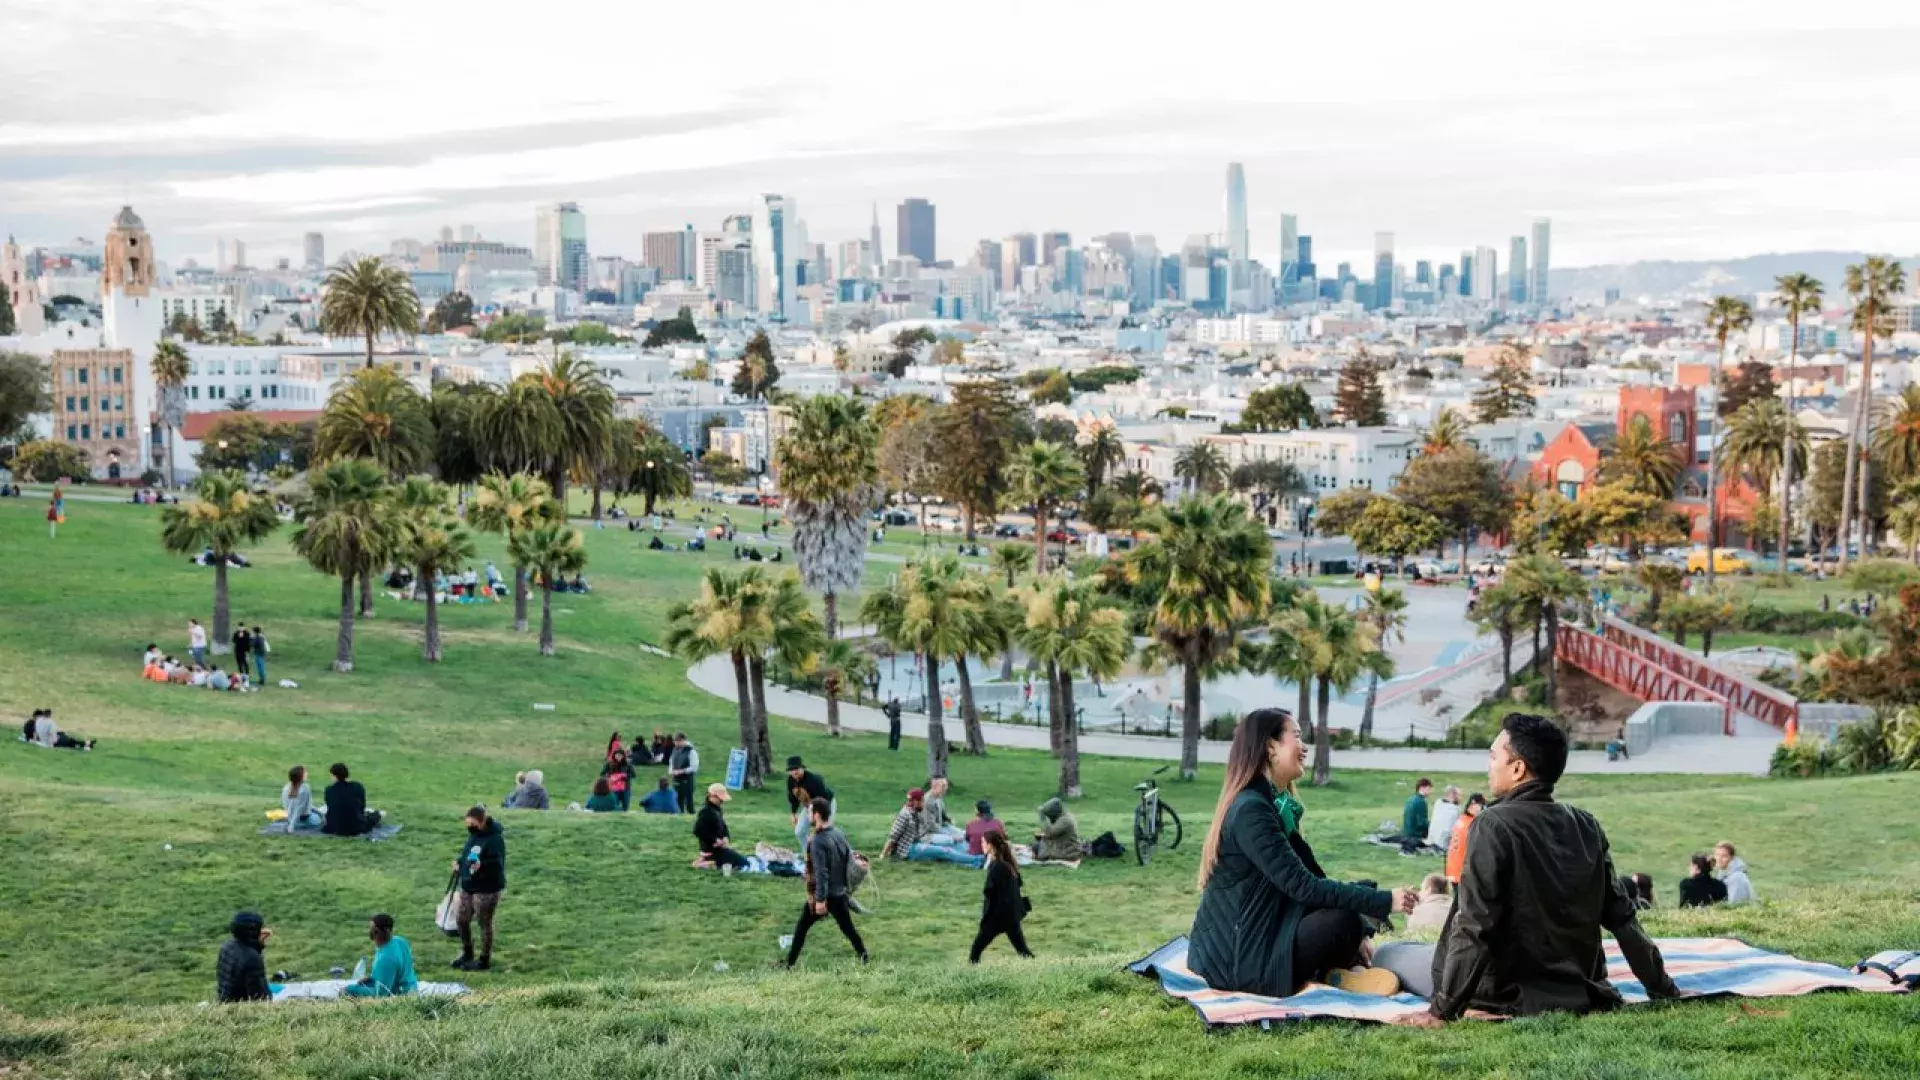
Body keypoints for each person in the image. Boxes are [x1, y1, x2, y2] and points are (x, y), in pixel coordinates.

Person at [1397, 713, 1679, 1027]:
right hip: (1579, 988)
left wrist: (1441, 1012)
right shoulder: (1586, 823)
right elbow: (1623, 919)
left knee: (1394, 954)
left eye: (1493, 757)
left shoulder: (1492, 825)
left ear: (1517, 768)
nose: (1489, 765)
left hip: (1505, 992)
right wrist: (1663, 988)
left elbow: (1476, 925)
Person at [1188, 709, 1414, 999]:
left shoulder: (1274, 805)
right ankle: (1337, 973)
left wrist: (1362, 923)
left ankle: (1338, 971)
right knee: (1341, 919)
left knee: (1351, 906)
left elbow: (1313, 878)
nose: (1304, 746)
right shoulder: (1251, 810)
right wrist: (1386, 901)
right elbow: (1302, 887)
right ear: (1271, 748)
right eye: (1296, 736)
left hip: (1261, 936)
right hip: (1237, 962)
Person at [784, 797, 870, 967]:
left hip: (827, 895)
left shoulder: (817, 841)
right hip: (840, 893)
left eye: (809, 811)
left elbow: (821, 873)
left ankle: (789, 965)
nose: (807, 814)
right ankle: (864, 956)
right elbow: (848, 857)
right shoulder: (838, 833)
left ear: (816, 815)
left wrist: (820, 901)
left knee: (802, 927)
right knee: (847, 928)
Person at [451, 805, 506, 971]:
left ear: (482, 822)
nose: (470, 827)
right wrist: (459, 863)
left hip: (486, 888)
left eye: (472, 823)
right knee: (461, 920)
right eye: (468, 823)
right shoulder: (474, 836)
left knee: (484, 923)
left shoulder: (495, 839)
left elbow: (497, 865)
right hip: (469, 885)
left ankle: (484, 959)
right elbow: (468, 854)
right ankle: (467, 953)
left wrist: (481, 865)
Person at [970, 828, 1034, 963]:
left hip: (998, 916)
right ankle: (1040, 968)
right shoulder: (1007, 864)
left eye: (983, 842)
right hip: (1011, 915)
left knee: (975, 951)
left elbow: (991, 893)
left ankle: (970, 975)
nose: (981, 845)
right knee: (1023, 950)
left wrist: (987, 918)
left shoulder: (997, 867)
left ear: (991, 845)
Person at [881, 788, 984, 867]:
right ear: (915, 802)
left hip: (917, 844)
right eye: (922, 801)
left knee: (944, 853)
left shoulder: (914, 812)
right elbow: (893, 837)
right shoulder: (905, 815)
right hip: (908, 850)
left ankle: (973, 861)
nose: (923, 803)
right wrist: (883, 856)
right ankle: (978, 859)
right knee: (944, 851)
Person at [343, 914, 418, 998]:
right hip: (412, 990)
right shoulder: (400, 941)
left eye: (371, 927)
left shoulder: (385, 958)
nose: (369, 930)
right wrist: (372, 979)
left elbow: (381, 994)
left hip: (401, 997)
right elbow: (398, 973)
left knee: (347, 991)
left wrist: (351, 990)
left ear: (376, 931)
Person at [215, 911, 273, 1003]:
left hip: (225, 1002)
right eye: (260, 929)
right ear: (252, 930)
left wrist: (257, 946)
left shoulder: (226, 947)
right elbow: (260, 998)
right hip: (240, 1008)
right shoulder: (252, 958)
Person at [694, 783, 750, 873]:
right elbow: (698, 831)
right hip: (710, 849)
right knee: (742, 864)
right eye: (720, 799)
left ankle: (708, 861)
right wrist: (715, 840)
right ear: (712, 796)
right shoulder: (705, 812)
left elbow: (723, 826)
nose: (722, 801)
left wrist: (726, 837)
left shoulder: (717, 810)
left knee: (743, 861)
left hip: (719, 848)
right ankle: (705, 863)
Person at [785, 756, 835, 851]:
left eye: (797, 769)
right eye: (791, 770)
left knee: (825, 832)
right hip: (810, 807)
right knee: (799, 832)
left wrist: (819, 819)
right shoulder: (791, 781)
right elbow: (793, 798)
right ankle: (808, 855)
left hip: (826, 804)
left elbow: (824, 800)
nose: (794, 772)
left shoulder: (814, 780)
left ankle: (838, 855)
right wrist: (793, 813)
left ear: (802, 768)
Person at [322, 763, 381, 837]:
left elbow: (331, 807)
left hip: (335, 828)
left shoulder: (329, 790)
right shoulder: (357, 786)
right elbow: (362, 806)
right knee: (375, 815)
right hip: (356, 827)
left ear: (334, 775)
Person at [1444, 793, 1485, 886]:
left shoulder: (1461, 820)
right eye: (1480, 806)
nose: (1482, 809)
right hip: (1461, 871)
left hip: (1452, 868)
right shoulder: (1472, 824)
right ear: (1473, 804)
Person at [921, 777, 965, 843]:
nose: (946, 788)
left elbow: (942, 815)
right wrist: (949, 835)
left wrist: (948, 819)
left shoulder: (939, 797)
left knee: (964, 833)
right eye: (943, 786)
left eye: (946, 785)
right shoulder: (928, 801)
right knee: (954, 839)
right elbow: (930, 825)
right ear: (934, 786)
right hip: (928, 834)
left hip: (940, 827)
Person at [282, 765, 323, 830]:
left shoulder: (286, 787)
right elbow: (302, 809)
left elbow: (286, 805)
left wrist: (291, 821)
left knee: (319, 811)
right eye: (305, 772)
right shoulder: (305, 788)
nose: (307, 773)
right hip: (305, 820)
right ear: (301, 776)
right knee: (319, 817)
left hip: (291, 819)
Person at [1400, 779, 1433, 854]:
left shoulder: (1410, 799)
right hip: (1415, 835)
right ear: (1422, 788)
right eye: (1428, 789)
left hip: (1407, 833)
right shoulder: (1421, 802)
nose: (1430, 792)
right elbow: (1421, 823)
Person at [669, 733, 699, 813]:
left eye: (677, 741)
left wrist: (681, 771)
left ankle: (691, 814)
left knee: (688, 801)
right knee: (678, 800)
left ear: (683, 740)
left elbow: (694, 767)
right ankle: (680, 815)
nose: (676, 743)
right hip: (676, 780)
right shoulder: (675, 750)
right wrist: (671, 771)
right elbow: (671, 761)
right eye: (675, 741)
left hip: (687, 780)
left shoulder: (691, 751)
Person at [1426, 785, 1461, 850]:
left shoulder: (1438, 802)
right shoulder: (1455, 809)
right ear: (1452, 795)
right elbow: (1455, 829)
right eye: (1459, 795)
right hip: (1443, 844)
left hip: (1431, 840)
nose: (1460, 797)